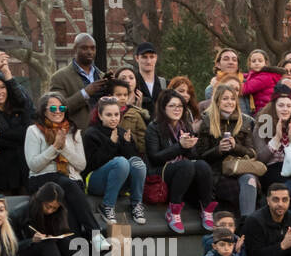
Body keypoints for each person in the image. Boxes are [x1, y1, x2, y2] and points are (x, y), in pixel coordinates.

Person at [25, 91, 107, 243]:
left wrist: (63, 148)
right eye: (52, 108)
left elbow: (81, 165)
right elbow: (34, 165)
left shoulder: (73, 131)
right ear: (43, 111)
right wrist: (54, 147)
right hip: (43, 181)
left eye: (61, 108)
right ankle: (95, 234)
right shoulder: (34, 131)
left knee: (72, 219)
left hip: (70, 184)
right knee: (65, 182)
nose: (58, 112)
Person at [10, 181, 106, 256]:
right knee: (47, 243)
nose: (50, 211)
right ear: (39, 201)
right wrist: (31, 241)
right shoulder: (18, 214)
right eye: (47, 206)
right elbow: (9, 248)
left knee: (64, 240)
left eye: (54, 208)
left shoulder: (57, 215)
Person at [147, 89, 216, 233]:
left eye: (179, 106)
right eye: (172, 106)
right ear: (163, 107)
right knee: (186, 165)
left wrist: (189, 147)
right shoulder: (154, 127)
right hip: (162, 171)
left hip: (184, 172)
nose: (177, 109)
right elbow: (154, 158)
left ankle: (206, 209)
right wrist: (180, 146)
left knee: (202, 165)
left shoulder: (185, 126)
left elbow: (194, 157)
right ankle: (173, 211)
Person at [197, 83, 261, 218]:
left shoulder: (244, 121)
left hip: (240, 168)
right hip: (217, 172)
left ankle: (247, 224)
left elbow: (252, 153)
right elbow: (200, 156)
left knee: (250, 180)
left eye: (232, 99)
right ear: (217, 101)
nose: (230, 102)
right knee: (233, 190)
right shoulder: (207, 121)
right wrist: (218, 150)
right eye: (225, 99)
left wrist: (236, 147)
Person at [83, 96, 146, 226]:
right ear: (100, 116)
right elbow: (91, 164)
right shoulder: (91, 133)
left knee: (138, 163)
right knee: (121, 162)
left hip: (121, 184)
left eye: (116, 114)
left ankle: (136, 205)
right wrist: (111, 144)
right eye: (109, 115)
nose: (113, 118)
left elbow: (133, 163)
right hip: (95, 181)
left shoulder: (123, 133)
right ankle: (107, 206)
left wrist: (127, 145)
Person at [48, 33, 109, 131]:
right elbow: (58, 109)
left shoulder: (101, 76)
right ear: (75, 49)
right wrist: (85, 93)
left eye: (93, 48)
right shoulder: (59, 77)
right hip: (77, 136)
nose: (90, 52)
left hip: (103, 135)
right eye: (85, 48)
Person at [105, 77, 150, 156]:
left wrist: (140, 154)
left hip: (132, 153)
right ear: (110, 96)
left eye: (125, 95)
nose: (123, 98)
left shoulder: (134, 114)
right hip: (110, 153)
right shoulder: (104, 114)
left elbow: (142, 136)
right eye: (119, 95)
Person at [242, 49, 284, 115]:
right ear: (250, 64)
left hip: (265, 110)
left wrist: (232, 83)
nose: (257, 63)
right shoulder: (256, 75)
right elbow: (247, 76)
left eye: (260, 61)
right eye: (254, 61)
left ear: (266, 63)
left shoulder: (265, 77)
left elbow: (246, 88)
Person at [134, 42, 166, 113]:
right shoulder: (132, 84)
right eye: (144, 57)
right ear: (137, 58)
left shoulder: (164, 84)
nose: (148, 61)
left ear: (156, 58)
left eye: (152, 57)